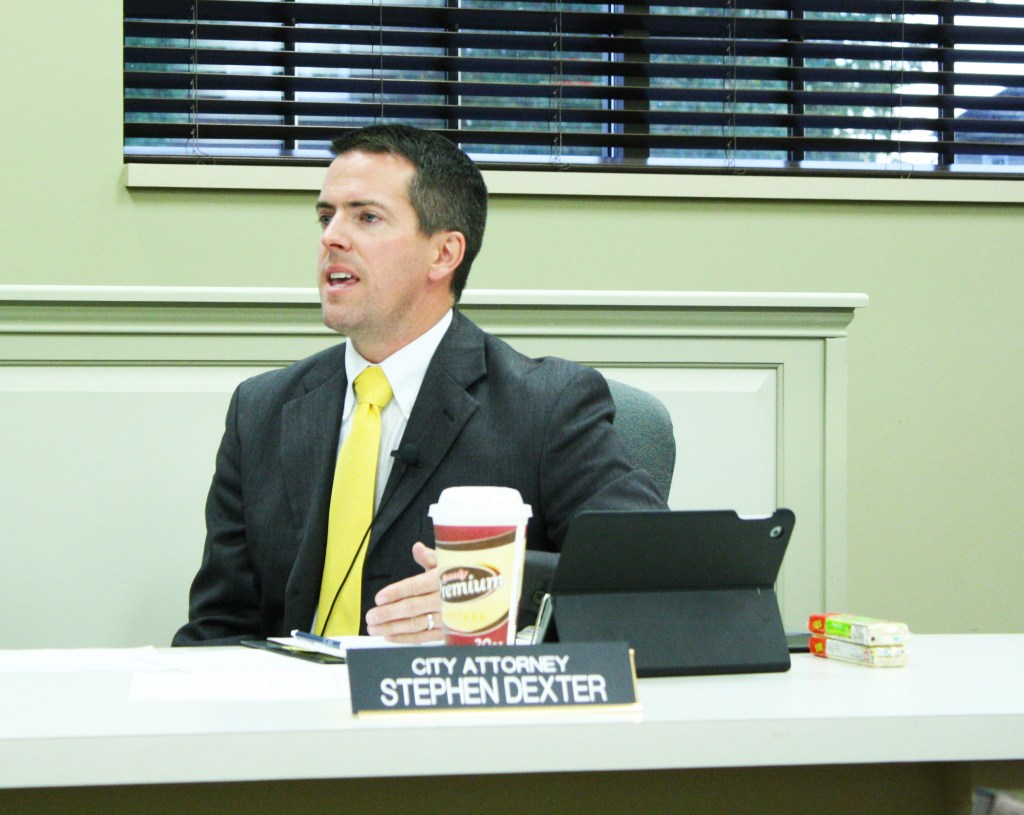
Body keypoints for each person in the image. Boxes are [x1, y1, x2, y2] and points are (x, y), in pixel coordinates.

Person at [172, 124, 666, 647]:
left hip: (448, 696)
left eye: (366, 217)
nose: (331, 237)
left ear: (444, 254)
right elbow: (217, 630)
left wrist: (498, 588)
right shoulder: (261, 409)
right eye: (326, 216)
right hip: (290, 695)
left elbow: (649, 574)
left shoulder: (547, 405)